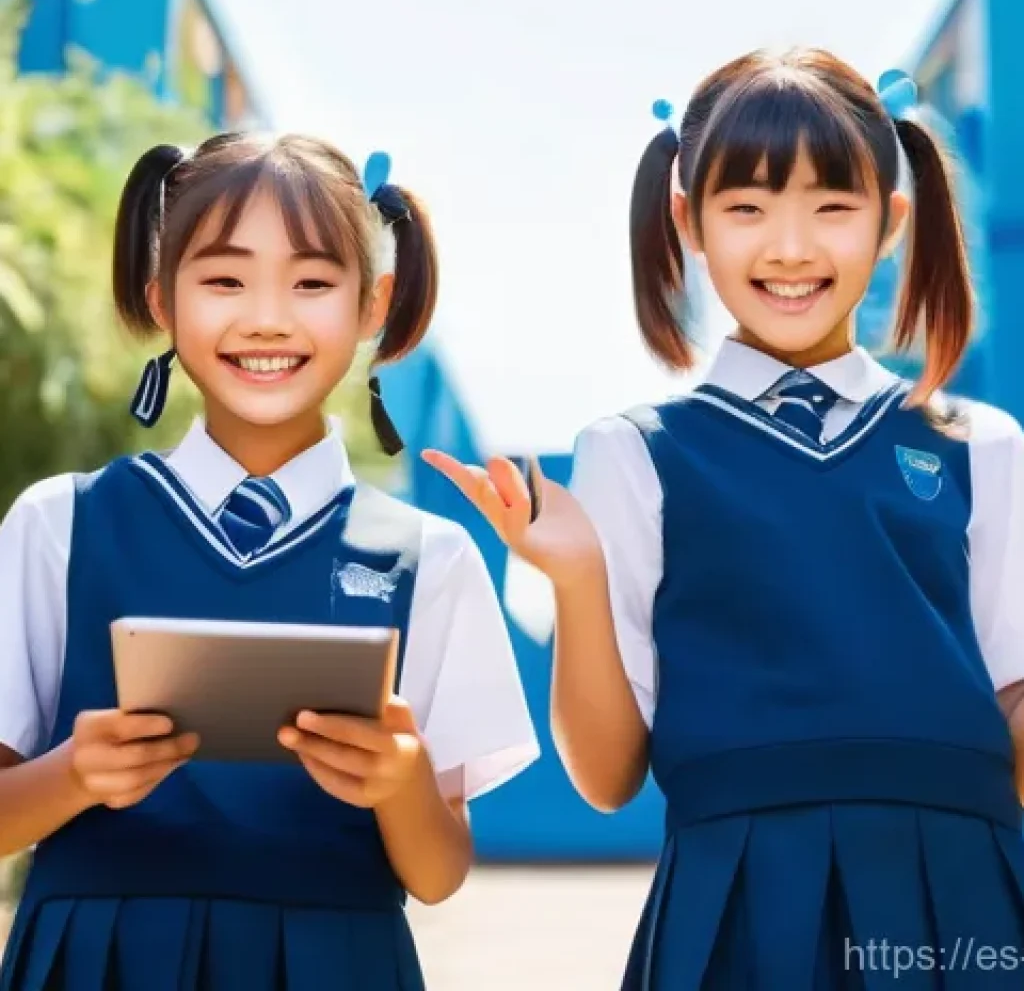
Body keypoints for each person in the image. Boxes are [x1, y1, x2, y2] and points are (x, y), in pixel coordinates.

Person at [424, 49, 1024, 988]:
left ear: (891, 223)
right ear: (687, 220)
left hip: (962, 895)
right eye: (747, 208)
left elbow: (1012, 711)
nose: (790, 248)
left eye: (833, 207)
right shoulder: (634, 452)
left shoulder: (980, 445)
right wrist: (576, 577)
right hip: (738, 902)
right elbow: (608, 778)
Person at [0, 132, 538, 990]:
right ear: (162, 298)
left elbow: (439, 875)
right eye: (224, 280)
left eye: (312, 283)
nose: (267, 318)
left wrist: (399, 782)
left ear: (373, 305)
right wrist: (72, 774)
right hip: (99, 965)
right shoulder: (58, 525)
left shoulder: (429, 560)